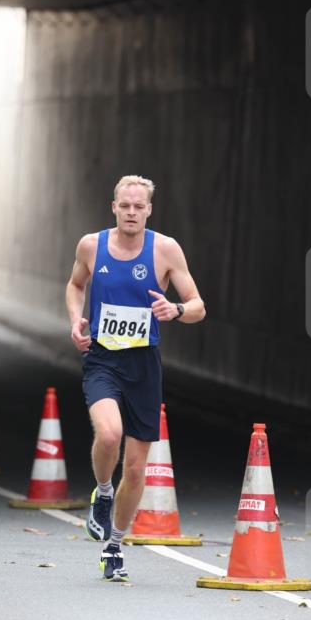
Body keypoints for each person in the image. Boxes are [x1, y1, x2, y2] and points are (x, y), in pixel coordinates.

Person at [65, 175, 206, 581]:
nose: (131, 212)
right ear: (114, 207)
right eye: (124, 206)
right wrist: (76, 321)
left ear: (148, 209)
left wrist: (176, 310)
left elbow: (198, 305)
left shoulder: (164, 249)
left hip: (144, 366)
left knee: (137, 469)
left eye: (138, 206)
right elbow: (75, 286)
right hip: (103, 358)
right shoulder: (91, 245)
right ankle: (102, 493)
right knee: (109, 435)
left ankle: (114, 546)